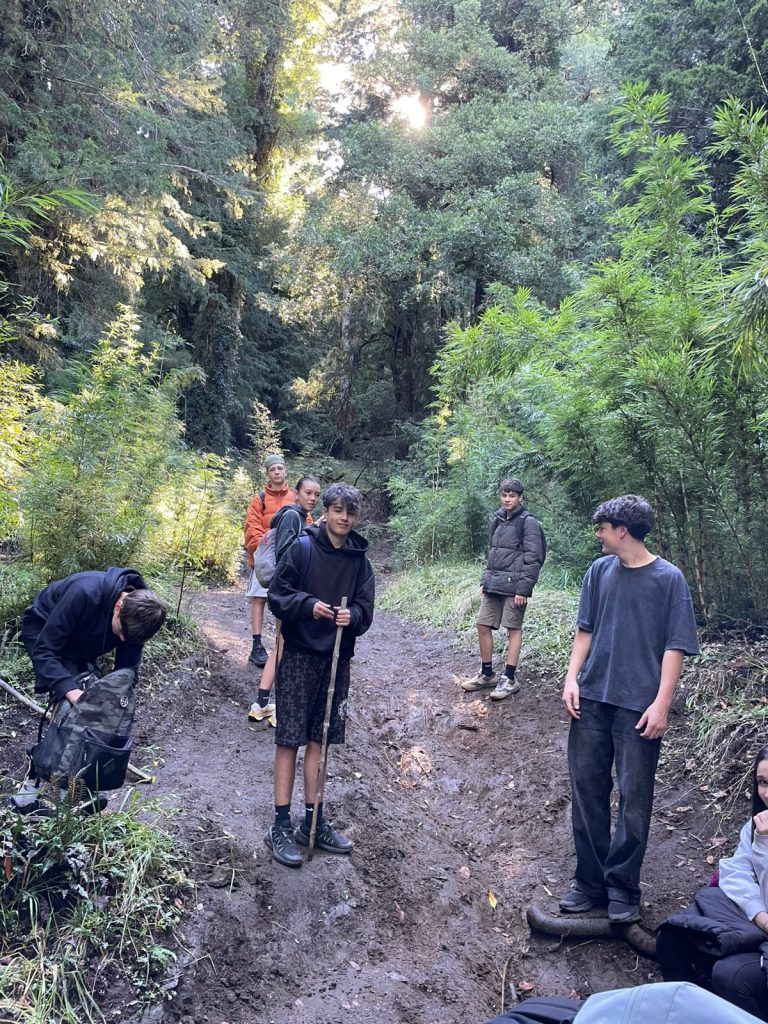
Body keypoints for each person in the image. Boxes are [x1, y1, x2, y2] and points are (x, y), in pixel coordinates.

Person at [559, 494, 699, 923]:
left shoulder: (669, 579)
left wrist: (662, 704)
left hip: (638, 707)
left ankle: (622, 887)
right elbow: (585, 630)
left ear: (623, 530)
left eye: (602, 528)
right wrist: (571, 678)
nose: (598, 535)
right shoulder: (599, 572)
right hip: (591, 699)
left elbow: (676, 646)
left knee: (635, 799)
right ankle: (590, 883)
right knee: (587, 792)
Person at [264, 482, 375, 868]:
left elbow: (365, 610)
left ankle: (312, 822)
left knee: (320, 740)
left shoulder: (359, 561)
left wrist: (353, 616)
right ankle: (280, 825)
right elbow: (277, 595)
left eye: (350, 512)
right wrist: (307, 605)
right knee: (289, 739)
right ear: (325, 511)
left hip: (336, 660)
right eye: (337, 510)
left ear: (355, 518)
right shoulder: (303, 548)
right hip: (298, 656)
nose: (343, 518)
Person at [655, 745, 768, 1021]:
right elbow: (735, 873)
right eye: (763, 782)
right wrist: (759, 914)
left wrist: (764, 845)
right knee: (673, 935)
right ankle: (687, 1015)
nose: (767, 793)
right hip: (759, 919)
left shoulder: (763, 832)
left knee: (730, 975)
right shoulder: (755, 826)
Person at [21, 566, 167, 703]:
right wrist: (71, 691)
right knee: (69, 686)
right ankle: (61, 716)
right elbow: (44, 651)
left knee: (92, 689)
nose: (122, 639)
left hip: (82, 633)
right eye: (121, 632)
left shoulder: (142, 618)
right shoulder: (84, 592)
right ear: (118, 607)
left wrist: (116, 695)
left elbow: (127, 671)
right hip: (42, 626)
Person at [461, 477, 545, 700]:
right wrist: (485, 580)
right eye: (504, 495)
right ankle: (487, 674)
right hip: (494, 584)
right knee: (482, 624)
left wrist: (523, 589)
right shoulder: (498, 519)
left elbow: (534, 557)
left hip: (515, 586)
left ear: (520, 498)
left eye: (512, 495)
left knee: (513, 628)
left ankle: (509, 678)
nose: (507, 499)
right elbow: (493, 552)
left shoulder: (528, 522)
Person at [248, 474, 321, 727]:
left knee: (281, 645)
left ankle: (261, 703)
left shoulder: (298, 517)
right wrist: (312, 532)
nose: (313, 498)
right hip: (288, 592)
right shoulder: (292, 516)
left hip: (286, 591)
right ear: (297, 494)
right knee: (287, 647)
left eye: (316, 494)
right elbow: (287, 553)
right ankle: (280, 707)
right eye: (308, 493)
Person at [243, 454, 296, 667]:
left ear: (285, 471)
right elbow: (251, 526)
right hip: (263, 557)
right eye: (272, 469)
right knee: (259, 597)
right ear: (267, 473)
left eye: (279, 468)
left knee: (281, 601)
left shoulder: (294, 497)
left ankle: (280, 647)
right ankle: (257, 646)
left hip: (288, 559)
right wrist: (263, 550)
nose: (277, 472)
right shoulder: (260, 499)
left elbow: (305, 523)